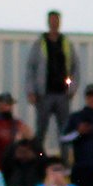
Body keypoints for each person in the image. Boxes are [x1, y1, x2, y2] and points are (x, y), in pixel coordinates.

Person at [25, 11, 79, 149]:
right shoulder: (40, 43)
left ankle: (65, 162)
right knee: (41, 130)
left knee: (64, 131)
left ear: (59, 22)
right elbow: (31, 68)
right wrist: (31, 91)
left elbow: (75, 68)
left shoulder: (66, 43)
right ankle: (39, 161)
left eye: (56, 20)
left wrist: (72, 88)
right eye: (52, 20)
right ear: (48, 22)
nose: (54, 23)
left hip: (63, 95)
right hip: (44, 95)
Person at [0, 91, 31, 167]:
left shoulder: (18, 123)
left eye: (10, 105)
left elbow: (28, 142)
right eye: (6, 104)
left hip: (14, 164)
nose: (9, 107)